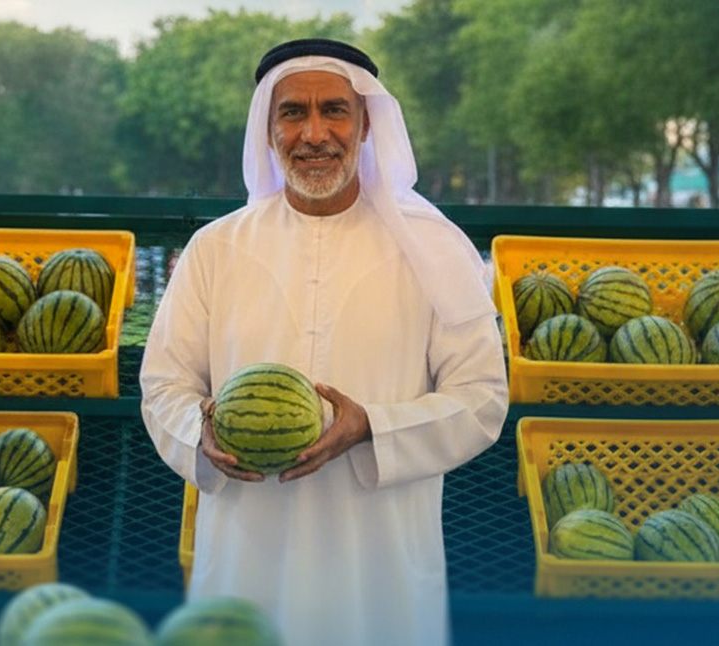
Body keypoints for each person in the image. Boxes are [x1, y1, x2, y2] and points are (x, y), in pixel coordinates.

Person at [140, 38, 509, 646]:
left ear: (366, 125)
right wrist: (197, 433)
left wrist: (372, 428)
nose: (314, 134)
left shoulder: (435, 250)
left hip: (380, 567)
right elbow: (163, 386)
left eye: (334, 110)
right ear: (268, 131)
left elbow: (482, 398)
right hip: (246, 561)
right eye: (293, 113)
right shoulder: (215, 248)